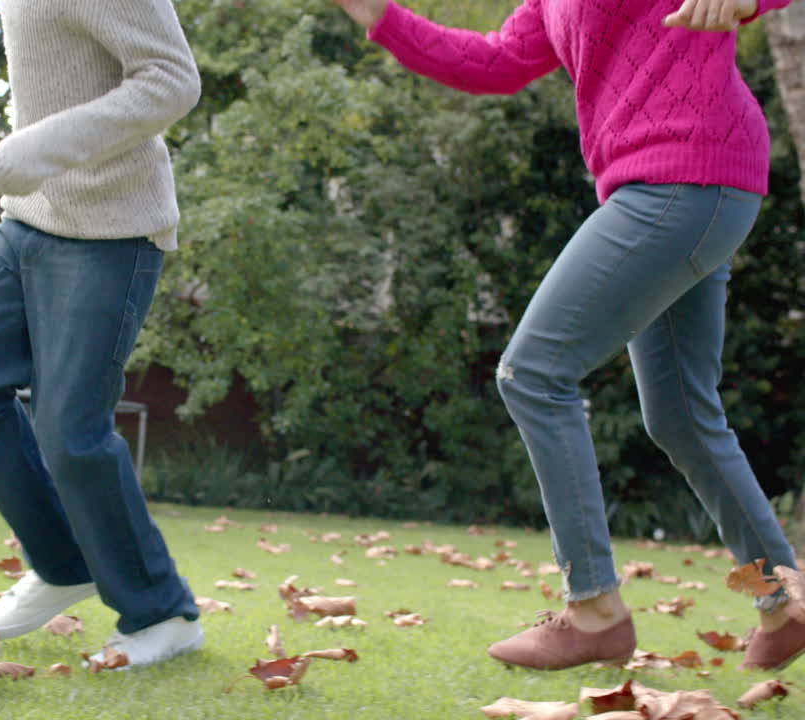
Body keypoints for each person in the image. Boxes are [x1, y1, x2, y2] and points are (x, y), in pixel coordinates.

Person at [330, 0, 803, 670]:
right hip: (695, 186)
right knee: (682, 418)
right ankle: (779, 600)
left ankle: (594, 609)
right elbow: (491, 62)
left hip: (681, 179)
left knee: (534, 373)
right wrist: (377, 13)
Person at [0, 0, 203, 669]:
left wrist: (43, 147)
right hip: (28, 220)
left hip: (111, 230)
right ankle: (63, 563)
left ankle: (162, 612)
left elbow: (172, 78)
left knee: (70, 430)